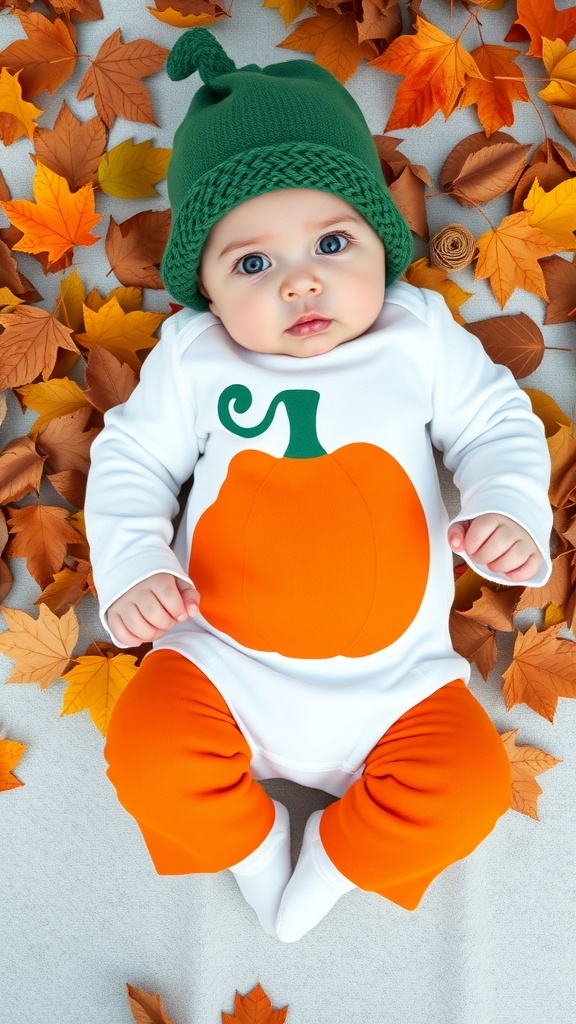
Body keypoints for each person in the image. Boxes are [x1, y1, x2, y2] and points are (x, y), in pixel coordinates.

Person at [84, 28, 553, 944]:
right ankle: (258, 853)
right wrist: (134, 562)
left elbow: (496, 423)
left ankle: (331, 869)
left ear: (381, 244)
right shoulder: (196, 357)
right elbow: (133, 461)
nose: (302, 284)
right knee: (143, 750)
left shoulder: (415, 337)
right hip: (221, 665)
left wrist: (506, 507)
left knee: (470, 786)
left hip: (397, 689)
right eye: (252, 264)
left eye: (333, 243)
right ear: (209, 294)